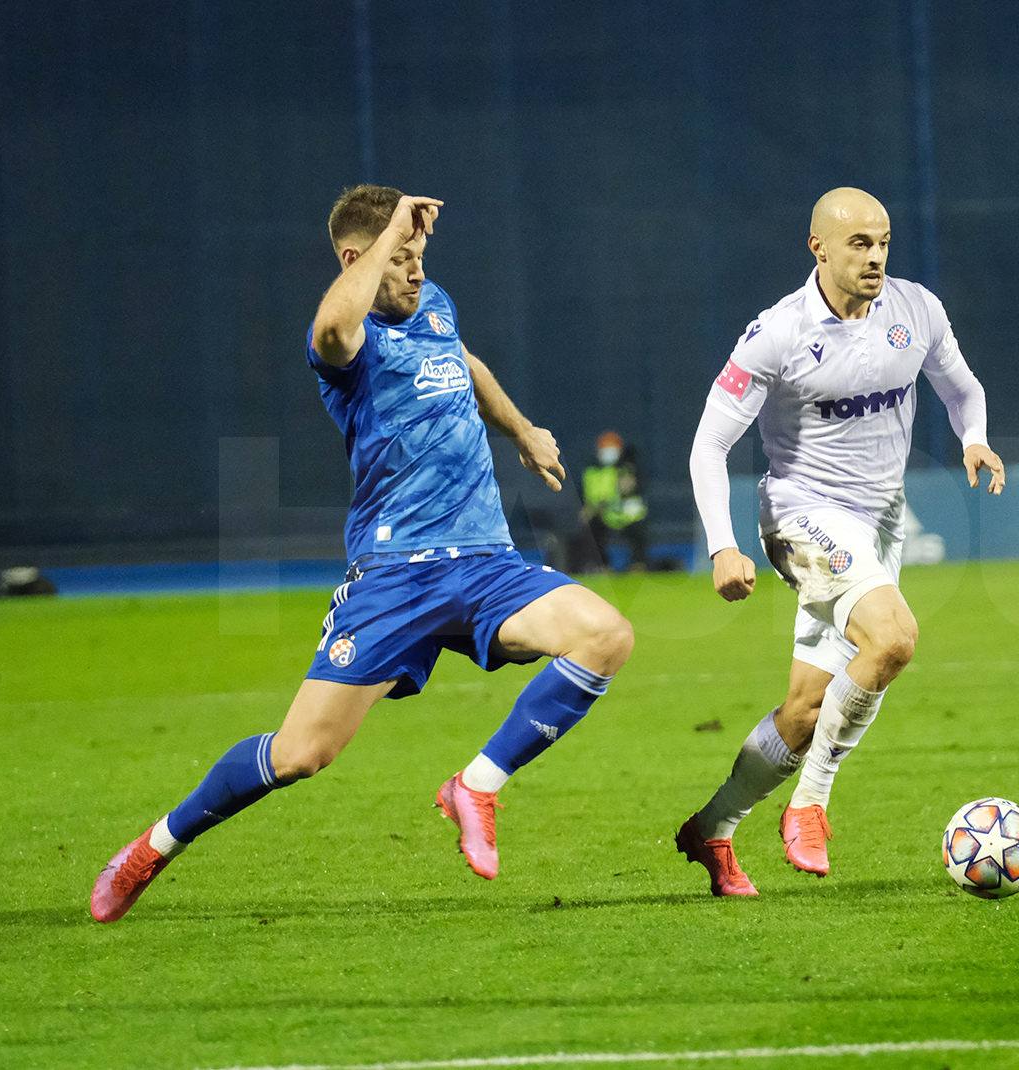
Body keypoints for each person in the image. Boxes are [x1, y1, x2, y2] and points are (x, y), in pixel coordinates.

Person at [90, 186, 634, 923]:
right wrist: (384, 247)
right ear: (358, 258)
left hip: (483, 562)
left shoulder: (433, 301)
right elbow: (331, 323)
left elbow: (463, 362)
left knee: (605, 634)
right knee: (299, 755)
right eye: (400, 258)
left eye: (419, 257)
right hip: (395, 578)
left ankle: (474, 785)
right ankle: (154, 846)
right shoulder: (344, 347)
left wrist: (523, 430)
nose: (415, 271)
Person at [677, 187, 1005, 896]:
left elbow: (962, 388)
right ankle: (810, 804)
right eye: (859, 243)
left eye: (884, 241)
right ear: (818, 248)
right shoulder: (778, 332)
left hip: (878, 525)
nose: (876, 256)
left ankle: (712, 828)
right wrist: (722, 544)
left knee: (802, 713)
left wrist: (974, 439)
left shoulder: (915, 310)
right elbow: (709, 445)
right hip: (799, 516)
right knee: (893, 638)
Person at [581, 431, 650, 570]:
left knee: (638, 528)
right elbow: (589, 498)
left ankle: (638, 565)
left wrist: (629, 487)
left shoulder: (628, 468)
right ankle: (602, 566)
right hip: (603, 514)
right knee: (591, 528)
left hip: (625, 516)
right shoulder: (591, 471)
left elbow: (637, 490)